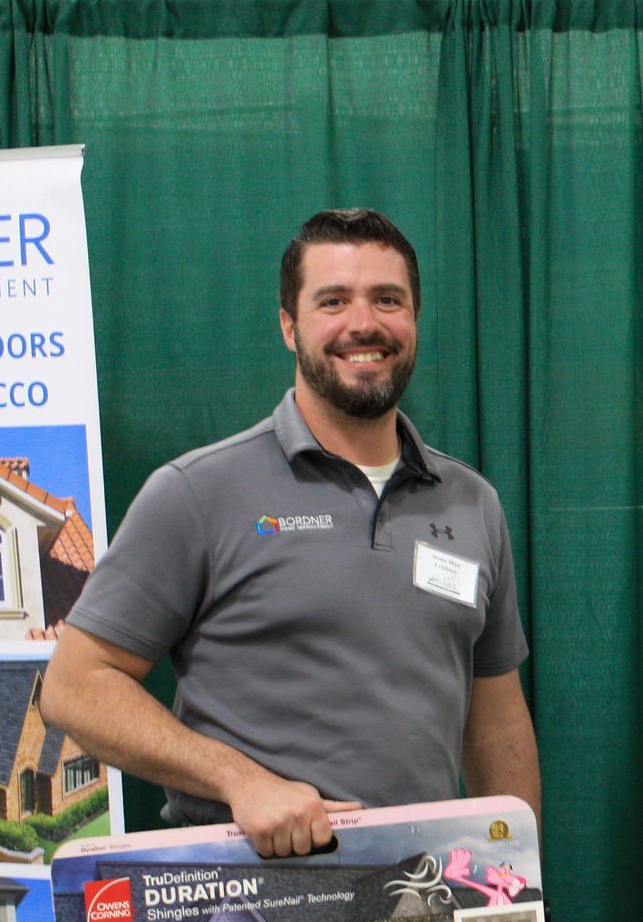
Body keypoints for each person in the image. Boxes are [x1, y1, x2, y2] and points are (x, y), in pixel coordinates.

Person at [42, 208, 540, 858]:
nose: (364, 322)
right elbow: (75, 686)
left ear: (414, 318)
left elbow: (497, 724)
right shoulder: (198, 493)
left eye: (387, 300)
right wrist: (239, 780)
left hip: (423, 897)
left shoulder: (472, 503)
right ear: (288, 326)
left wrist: (520, 883)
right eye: (333, 301)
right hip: (253, 904)